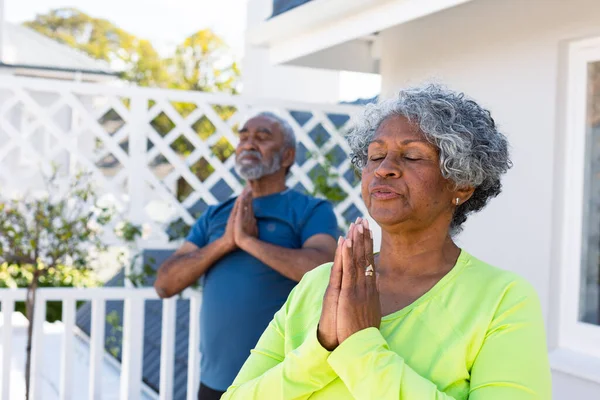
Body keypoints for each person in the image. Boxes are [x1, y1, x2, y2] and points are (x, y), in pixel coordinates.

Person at [222, 84, 552, 399]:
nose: (384, 169)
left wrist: (362, 348)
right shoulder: (319, 284)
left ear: (462, 185)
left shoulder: (502, 300)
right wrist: (321, 346)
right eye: (376, 155)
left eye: (411, 157)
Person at [153, 112, 339, 400]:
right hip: (214, 384)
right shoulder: (216, 214)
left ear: (287, 155)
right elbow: (165, 284)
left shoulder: (310, 210)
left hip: (278, 383)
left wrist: (249, 242)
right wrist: (225, 242)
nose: (249, 144)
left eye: (262, 137)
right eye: (243, 137)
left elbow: (323, 267)